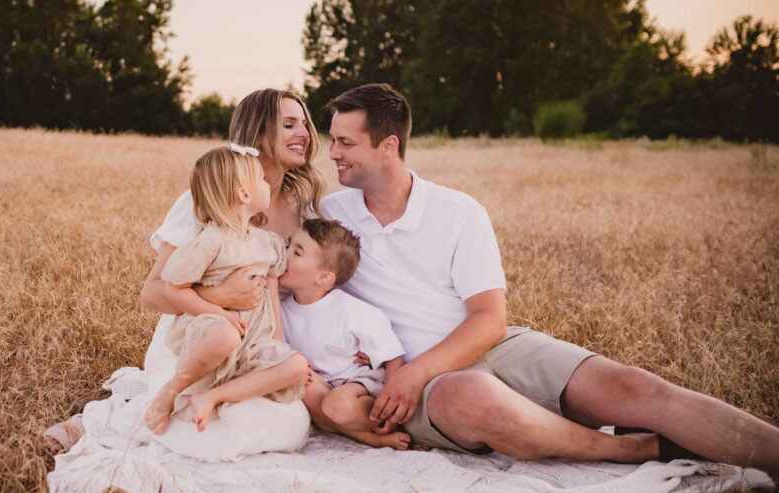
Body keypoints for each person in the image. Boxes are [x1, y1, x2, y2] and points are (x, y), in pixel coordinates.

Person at [319, 82, 779, 469]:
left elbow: (488, 320)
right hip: (417, 384)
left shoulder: (457, 211)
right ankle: (629, 448)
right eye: (332, 139)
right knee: (476, 397)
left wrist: (419, 371)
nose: (332, 152)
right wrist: (410, 376)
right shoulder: (329, 216)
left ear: (388, 146)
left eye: (345, 142)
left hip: (485, 346)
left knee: (637, 386)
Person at [42, 88, 324, 455]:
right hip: (202, 337)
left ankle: (191, 418)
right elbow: (153, 292)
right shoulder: (205, 200)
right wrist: (220, 299)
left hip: (256, 340)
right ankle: (105, 421)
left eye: (305, 123)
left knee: (286, 420)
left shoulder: (305, 208)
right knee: (219, 414)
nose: (304, 133)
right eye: (289, 124)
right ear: (257, 134)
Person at [143, 145, 308, 434]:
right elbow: (173, 289)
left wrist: (278, 340)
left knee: (296, 365)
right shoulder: (212, 240)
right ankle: (172, 391)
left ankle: (213, 397)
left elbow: (271, 296)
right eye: (260, 179)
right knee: (224, 336)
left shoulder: (266, 242)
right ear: (244, 194)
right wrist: (219, 312)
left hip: (253, 340)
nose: (267, 183)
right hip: (212, 328)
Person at [280, 218, 411, 450]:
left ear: (324, 278)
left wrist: (389, 402)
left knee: (337, 404)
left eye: (297, 252)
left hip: (358, 387)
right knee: (301, 386)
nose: (284, 253)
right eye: (288, 245)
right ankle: (365, 437)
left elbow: (392, 356)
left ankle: (384, 426)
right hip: (322, 387)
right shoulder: (282, 311)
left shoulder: (351, 310)